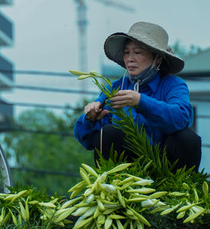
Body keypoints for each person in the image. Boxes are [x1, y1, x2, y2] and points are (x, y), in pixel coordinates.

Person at [74, 21, 201, 171]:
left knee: (187, 138)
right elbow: (87, 140)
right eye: (127, 52)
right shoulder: (115, 88)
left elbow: (181, 118)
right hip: (128, 168)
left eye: (138, 52)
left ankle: (180, 189)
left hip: (166, 165)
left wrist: (141, 102)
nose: (130, 59)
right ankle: (113, 185)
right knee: (107, 134)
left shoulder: (173, 85)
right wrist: (90, 118)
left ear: (158, 58)